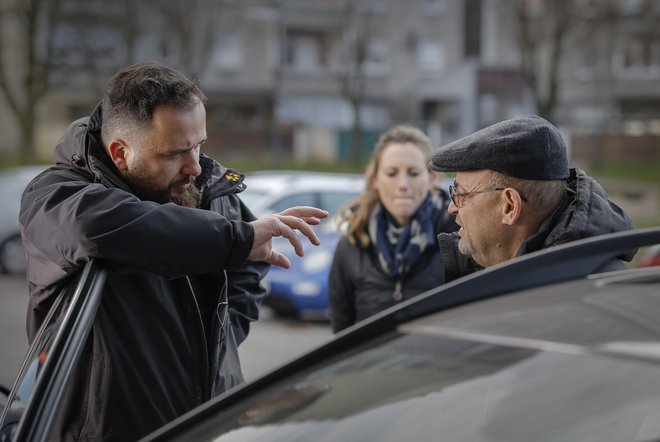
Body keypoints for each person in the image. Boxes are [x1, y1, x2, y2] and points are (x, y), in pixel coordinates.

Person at [19, 62, 327, 441]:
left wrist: (216, 347)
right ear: (120, 153)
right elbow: (101, 230)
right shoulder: (54, 197)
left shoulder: (208, 191)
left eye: (199, 144)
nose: (195, 166)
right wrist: (237, 240)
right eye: (176, 152)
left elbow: (247, 271)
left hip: (213, 426)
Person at [429, 115, 636, 282]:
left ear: (509, 206)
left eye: (460, 194)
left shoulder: (568, 296)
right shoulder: (545, 280)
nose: (451, 208)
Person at [328, 125, 459, 333]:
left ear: (431, 178)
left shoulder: (460, 238)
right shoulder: (352, 243)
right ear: (375, 180)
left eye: (414, 173)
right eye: (391, 173)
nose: (403, 185)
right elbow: (341, 329)